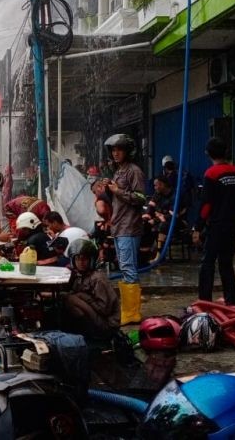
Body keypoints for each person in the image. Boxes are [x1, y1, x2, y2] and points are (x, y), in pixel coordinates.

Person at [191, 138, 235, 306]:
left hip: (216, 225)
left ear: (208, 153)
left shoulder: (211, 174)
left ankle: (205, 301)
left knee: (208, 262)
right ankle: (233, 303)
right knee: (226, 264)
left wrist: (197, 227)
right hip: (232, 225)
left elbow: (207, 205)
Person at [104, 133, 148, 325]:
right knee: (124, 268)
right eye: (113, 150)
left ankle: (132, 313)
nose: (115, 153)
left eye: (119, 149)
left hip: (129, 227)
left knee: (129, 269)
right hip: (119, 225)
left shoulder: (134, 171)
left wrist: (117, 191)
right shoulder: (119, 171)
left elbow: (140, 198)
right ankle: (127, 309)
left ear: (127, 151)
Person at [63, 238, 119, 339]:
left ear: (91, 260)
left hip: (107, 325)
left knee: (70, 299)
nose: (81, 262)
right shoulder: (79, 275)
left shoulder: (97, 279)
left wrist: (83, 297)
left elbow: (105, 310)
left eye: (84, 259)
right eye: (77, 259)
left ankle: (91, 336)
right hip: (97, 318)